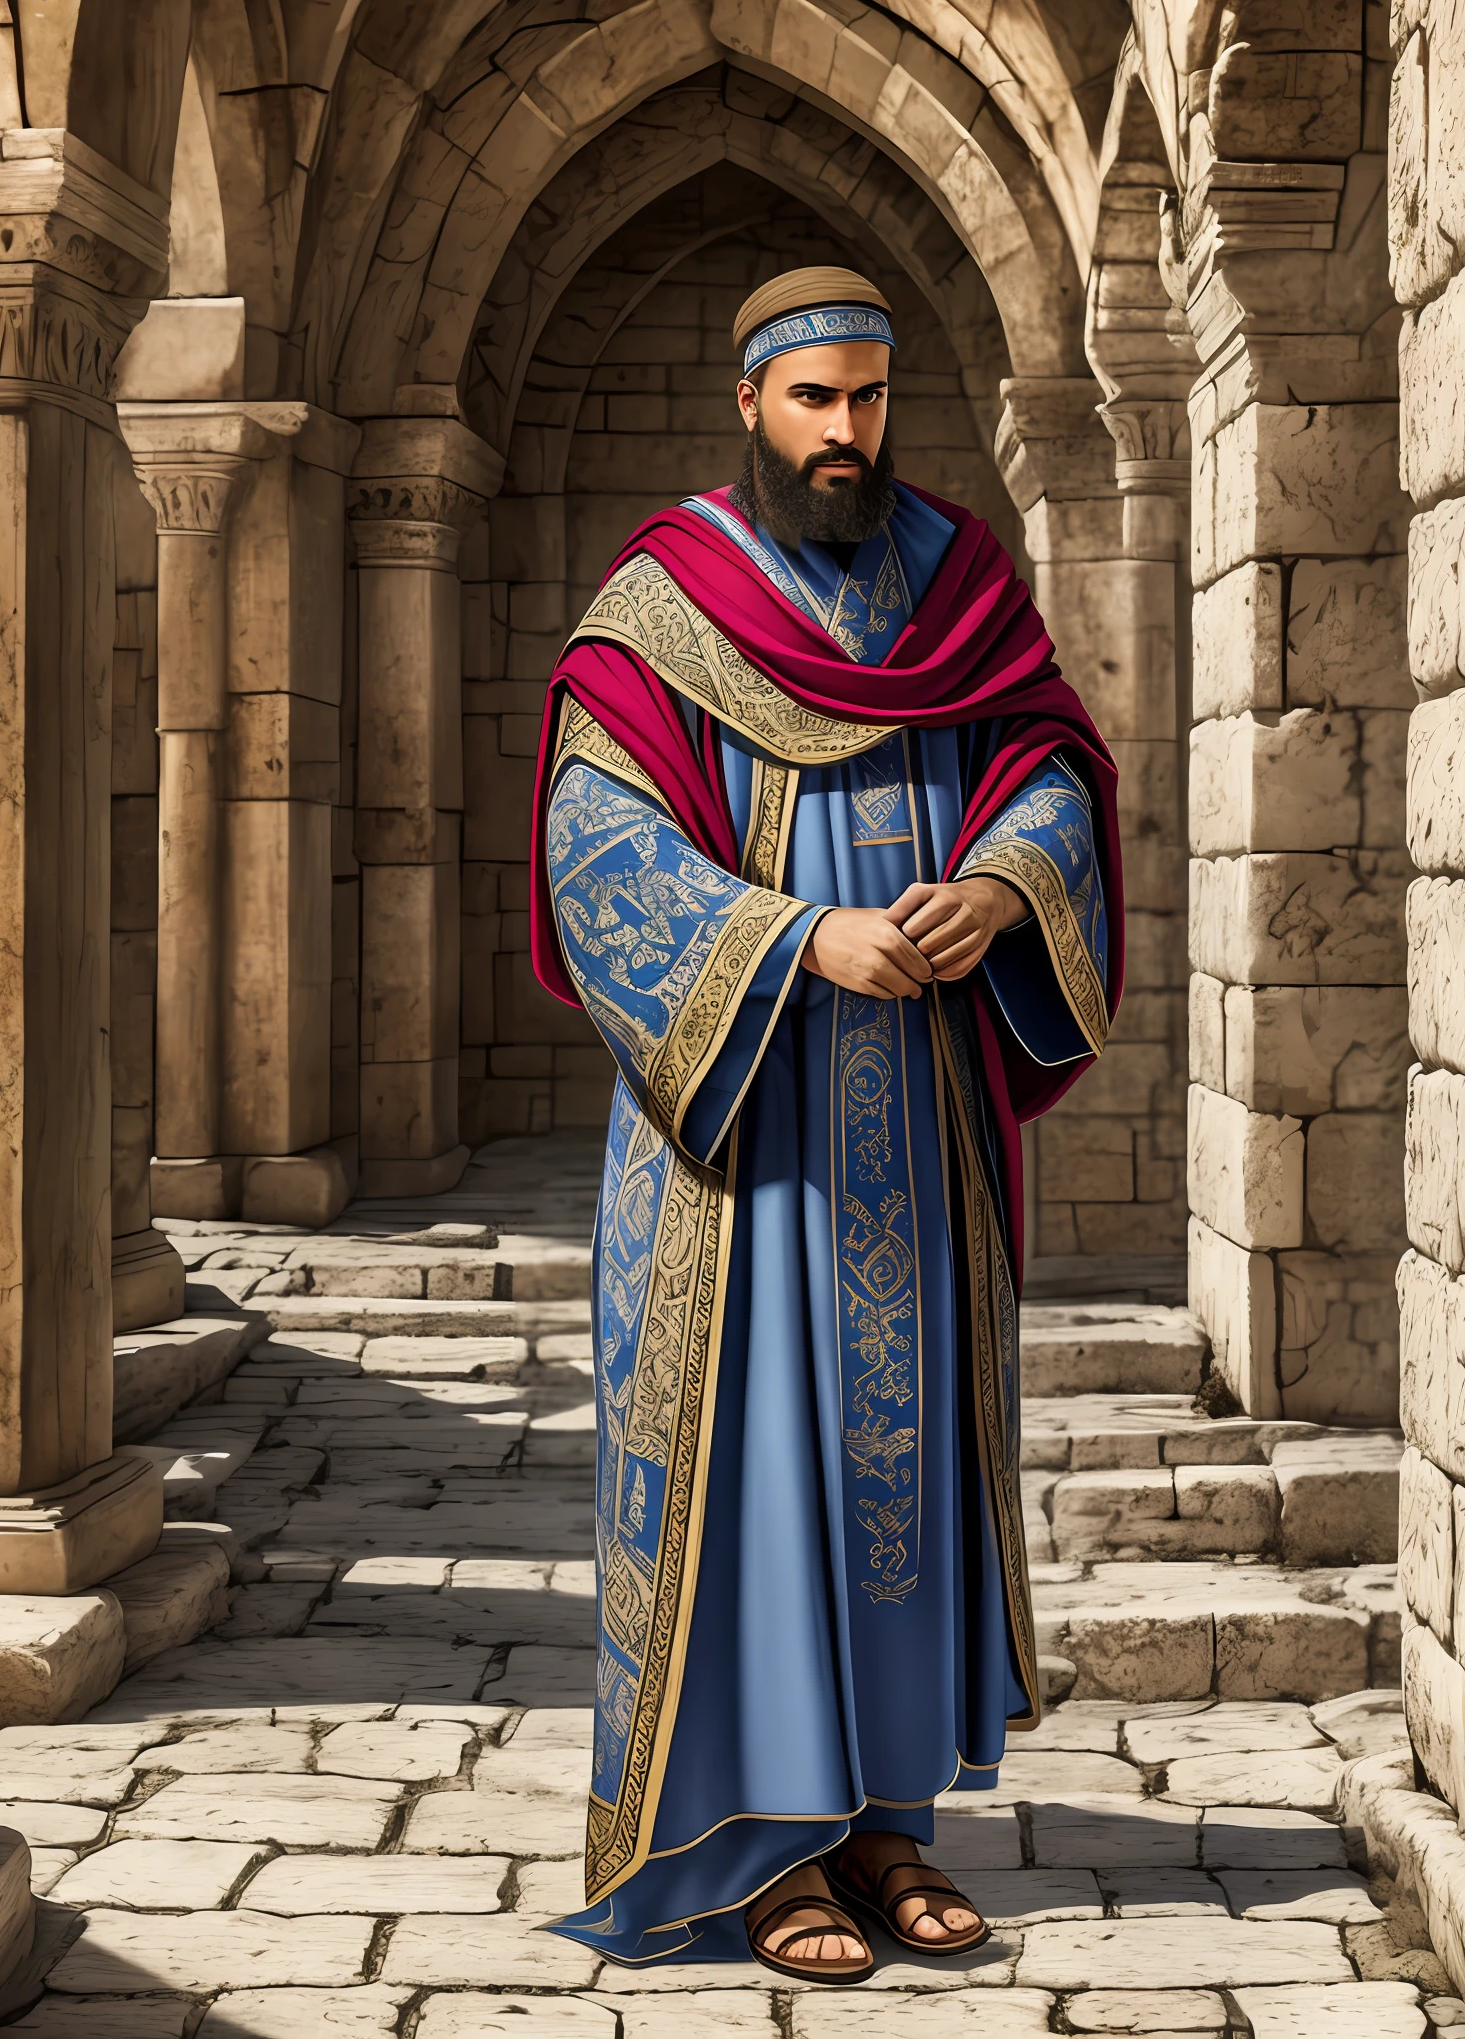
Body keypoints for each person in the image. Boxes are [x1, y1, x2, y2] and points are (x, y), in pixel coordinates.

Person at [528, 265, 1123, 1978]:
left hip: (922, 1134)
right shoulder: (664, 603)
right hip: (741, 1136)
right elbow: (599, 859)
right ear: (751, 404)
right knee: (754, 1482)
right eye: (816, 402)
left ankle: (885, 1833)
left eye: (870, 399)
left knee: (903, 1469)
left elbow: (1052, 767)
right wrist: (797, 936)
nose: (849, 433)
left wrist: (1005, 889)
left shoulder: (959, 578)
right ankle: (753, 1857)